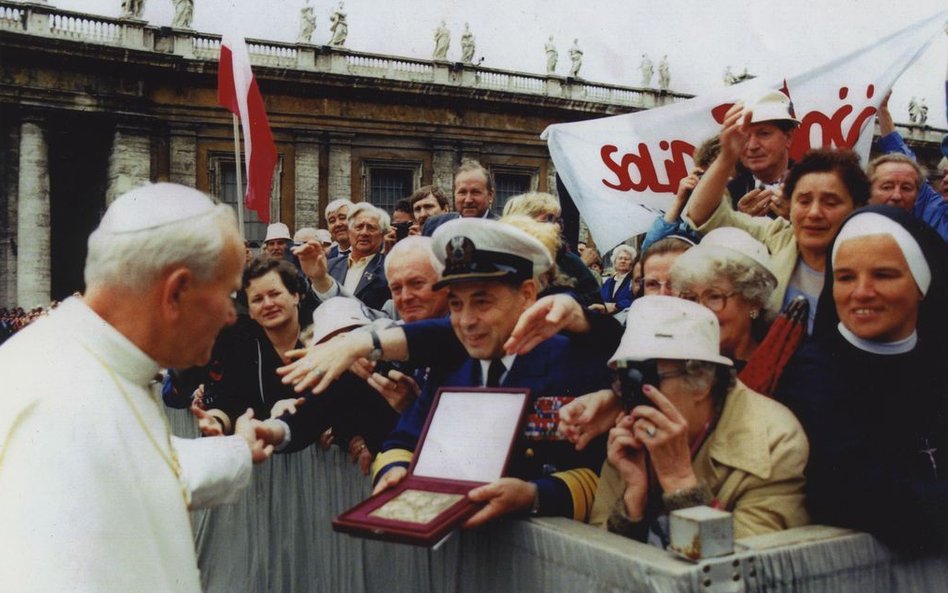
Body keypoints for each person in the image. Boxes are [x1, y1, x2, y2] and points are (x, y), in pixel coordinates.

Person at [0, 183, 273, 592]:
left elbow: (138, 473)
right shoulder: (58, 400)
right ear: (176, 291)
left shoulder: (97, 363)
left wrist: (238, 449)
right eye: (228, 294)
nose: (233, 316)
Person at [279, 218, 614, 525]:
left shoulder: (571, 360)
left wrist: (534, 495)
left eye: (482, 302)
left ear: (527, 295)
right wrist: (394, 471)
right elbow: (403, 439)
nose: (466, 321)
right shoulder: (454, 363)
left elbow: (597, 474)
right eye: (455, 304)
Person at [776, 206, 948, 553]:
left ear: (922, 284)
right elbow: (861, 497)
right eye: (845, 277)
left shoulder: (937, 361)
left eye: (883, 275)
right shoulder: (812, 376)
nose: (862, 292)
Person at [590, 296, 809, 543]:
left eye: (646, 378)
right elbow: (597, 558)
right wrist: (631, 505)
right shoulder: (629, 437)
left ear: (702, 381)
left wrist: (680, 483)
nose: (634, 394)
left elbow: (749, 563)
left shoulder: (776, 442)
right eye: (625, 378)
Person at [685, 101, 870, 332]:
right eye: (804, 201)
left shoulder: (874, 258)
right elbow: (703, 215)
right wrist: (727, 156)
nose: (814, 213)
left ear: (857, 207)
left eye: (830, 202)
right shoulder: (780, 236)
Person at [670, 227, 777, 367]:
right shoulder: (675, 366)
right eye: (691, 299)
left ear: (754, 300)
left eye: (714, 297)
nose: (701, 311)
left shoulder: (777, 369)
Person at [502, 191, 603, 308]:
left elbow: (595, 300)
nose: (557, 226)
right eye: (548, 219)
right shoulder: (502, 259)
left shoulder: (568, 258)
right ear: (522, 221)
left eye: (558, 220)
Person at [872, 93, 948, 240]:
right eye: (945, 174)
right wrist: (882, 110)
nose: (946, 180)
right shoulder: (933, 208)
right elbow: (906, 163)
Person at [725, 91, 800, 215]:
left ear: (788, 137)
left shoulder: (813, 184)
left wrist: (797, 217)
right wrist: (740, 221)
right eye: (745, 136)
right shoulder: (726, 194)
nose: (752, 146)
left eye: (764, 134)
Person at [322, 202, 391, 310]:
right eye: (359, 227)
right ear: (349, 232)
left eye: (371, 228)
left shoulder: (389, 269)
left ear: (382, 235)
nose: (364, 233)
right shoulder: (330, 266)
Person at [594, 244, 635, 315]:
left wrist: (616, 306)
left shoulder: (634, 280)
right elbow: (600, 298)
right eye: (620, 258)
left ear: (631, 263)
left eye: (626, 259)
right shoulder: (608, 281)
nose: (623, 261)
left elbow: (635, 300)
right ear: (615, 262)